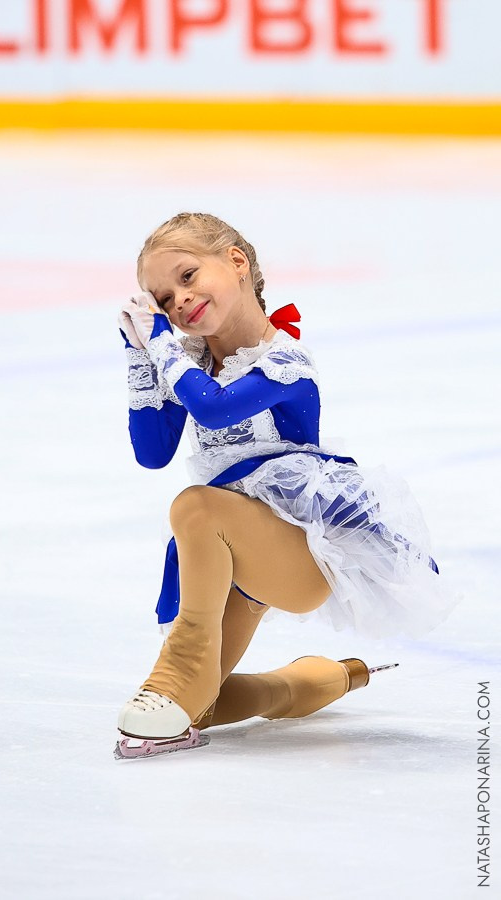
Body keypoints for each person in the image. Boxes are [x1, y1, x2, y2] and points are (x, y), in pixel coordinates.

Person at [115, 211, 458, 755]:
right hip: (240, 559)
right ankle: (312, 681)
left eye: (186, 277)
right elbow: (152, 452)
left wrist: (158, 344)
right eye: (161, 300)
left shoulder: (285, 360)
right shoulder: (192, 365)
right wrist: (138, 355)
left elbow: (215, 411)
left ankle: (176, 667)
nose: (177, 302)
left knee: (196, 508)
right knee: (201, 705)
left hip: (300, 551)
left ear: (236, 263)